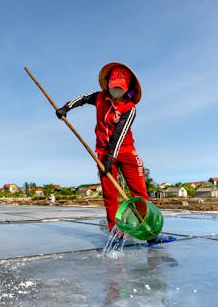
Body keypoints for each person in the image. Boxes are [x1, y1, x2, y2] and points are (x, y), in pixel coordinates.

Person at [55, 62, 175, 245]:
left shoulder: (130, 108)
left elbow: (119, 135)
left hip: (126, 152)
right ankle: (115, 235)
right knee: (110, 195)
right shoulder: (99, 97)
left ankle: (151, 235)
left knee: (140, 194)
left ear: (126, 89)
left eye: (119, 88)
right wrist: (65, 108)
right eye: (112, 87)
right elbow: (82, 98)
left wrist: (112, 157)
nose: (114, 91)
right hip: (102, 153)